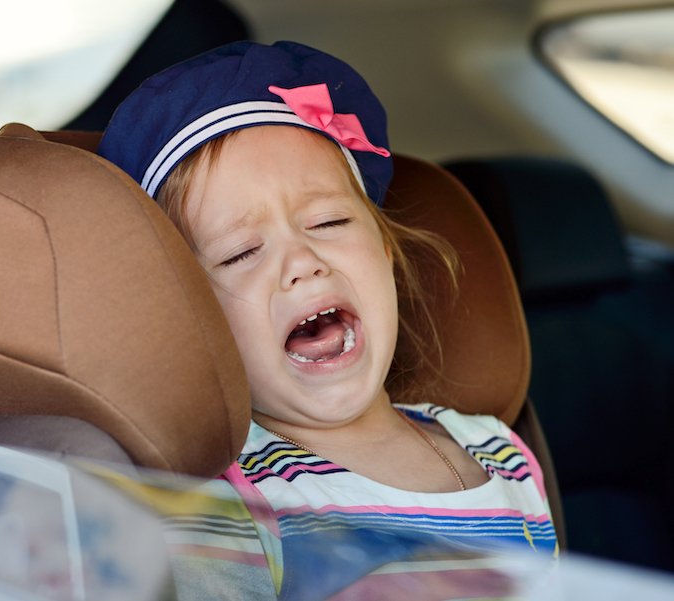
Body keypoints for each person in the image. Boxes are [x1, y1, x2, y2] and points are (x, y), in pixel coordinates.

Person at [97, 40, 557, 599]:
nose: (302, 263)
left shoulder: (499, 450)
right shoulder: (235, 501)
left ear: (386, 252)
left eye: (329, 221)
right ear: (193, 315)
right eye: (241, 252)